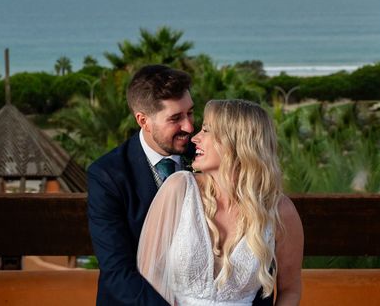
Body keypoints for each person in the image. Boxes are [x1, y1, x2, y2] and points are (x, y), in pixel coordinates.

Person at [87, 66, 275, 306]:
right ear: (143, 120)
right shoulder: (108, 175)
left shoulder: (208, 154)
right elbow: (117, 272)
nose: (189, 127)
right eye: (176, 118)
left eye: (190, 113)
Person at [137, 99, 304, 306]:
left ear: (236, 142)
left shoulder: (280, 210)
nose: (195, 138)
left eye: (206, 130)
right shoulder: (179, 189)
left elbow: (290, 290)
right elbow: (147, 274)